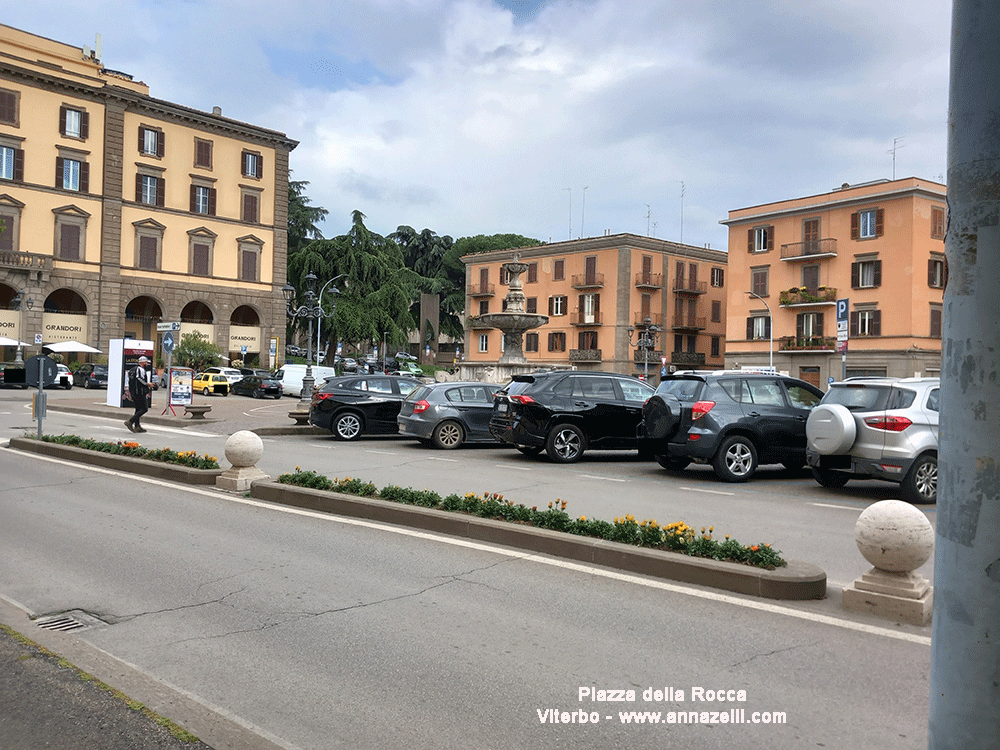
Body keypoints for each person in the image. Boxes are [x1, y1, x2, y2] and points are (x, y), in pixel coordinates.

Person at [124, 356, 152, 433]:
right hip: (140, 392)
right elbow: (139, 378)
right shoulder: (140, 369)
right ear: (142, 362)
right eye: (146, 362)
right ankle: (130, 421)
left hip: (134, 392)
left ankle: (137, 426)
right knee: (144, 409)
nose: (147, 364)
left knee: (138, 409)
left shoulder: (132, 370)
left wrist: (131, 393)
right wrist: (147, 384)